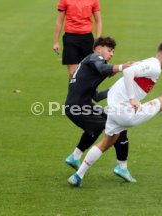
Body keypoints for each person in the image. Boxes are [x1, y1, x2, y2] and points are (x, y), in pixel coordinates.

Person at [68, 41, 162, 187]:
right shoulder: (154, 66)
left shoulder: (147, 63)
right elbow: (127, 72)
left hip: (113, 111)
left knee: (106, 143)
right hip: (126, 113)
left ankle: (78, 175)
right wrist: (132, 98)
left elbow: (124, 79)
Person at [64, 36, 136, 183]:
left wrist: (115, 89)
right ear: (98, 48)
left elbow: (96, 96)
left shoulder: (89, 66)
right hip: (79, 107)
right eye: (109, 50)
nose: (111, 54)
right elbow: (102, 67)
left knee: (95, 130)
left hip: (79, 106)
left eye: (113, 52)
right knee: (119, 127)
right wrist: (122, 67)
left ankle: (75, 157)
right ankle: (122, 167)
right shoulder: (94, 58)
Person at [53, 0, 102, 78]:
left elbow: (98, 21)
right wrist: (56, 41)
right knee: (73, 73)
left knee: (88, 72)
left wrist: (98, 41)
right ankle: (73, 90)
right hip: (70, 38)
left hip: (87, 38)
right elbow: (59, 21)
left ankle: (88, 90)